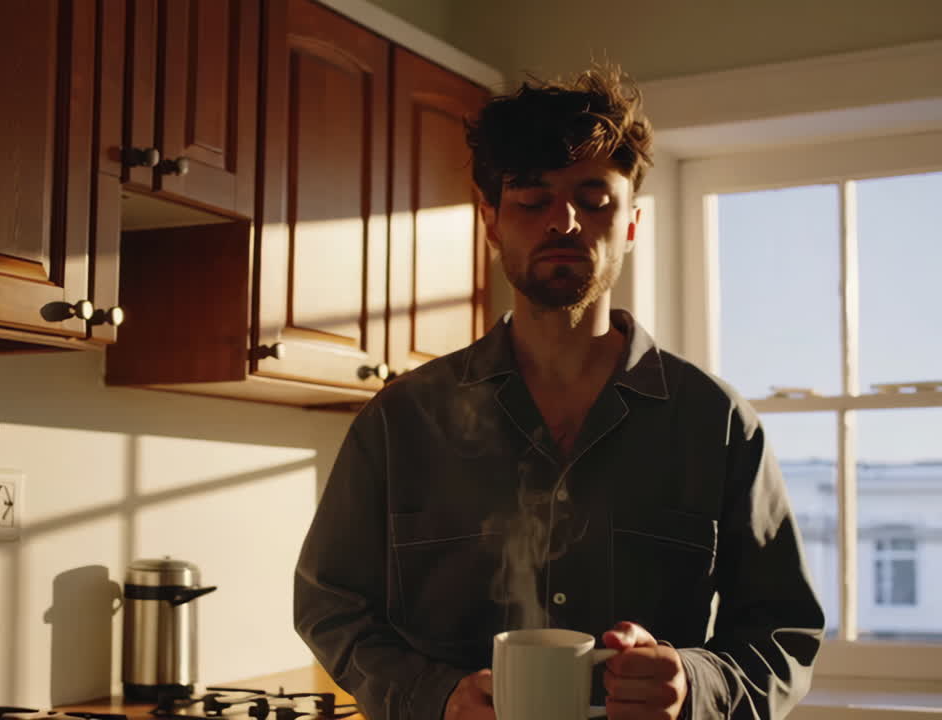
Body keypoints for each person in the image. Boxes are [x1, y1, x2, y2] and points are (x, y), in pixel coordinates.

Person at [294, 65, 825, 720]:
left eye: (594, 198)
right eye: (531, 198)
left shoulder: (716, 421)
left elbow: (782, 633)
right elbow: (330, 607)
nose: (565, 221)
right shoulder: (402, 419)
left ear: (630, 223)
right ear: (491, 221)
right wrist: (436, 696)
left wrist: (691, 683)